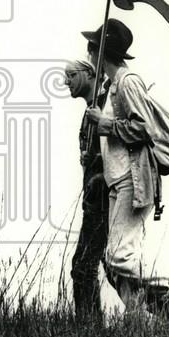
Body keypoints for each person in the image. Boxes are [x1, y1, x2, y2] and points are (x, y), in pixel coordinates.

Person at [82, 20, 169, 318]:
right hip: (117, 181)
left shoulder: (128, 82)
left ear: (100, 53)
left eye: (91, 51)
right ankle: (139, 325)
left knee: (119, 258)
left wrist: (105, 124)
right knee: (115, 265)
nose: (87, 58)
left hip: (132, 181)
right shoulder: (111, 87)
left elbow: (143, 128)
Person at [65, 59, 108, 319]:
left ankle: (89, 331)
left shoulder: (105, 106)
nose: (65, 81)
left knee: (83, 266)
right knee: (114, 270)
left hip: (104, 197)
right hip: (93, 200)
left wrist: (100, 176)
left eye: (70, 75)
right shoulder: (90, 111)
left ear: (90, 74)